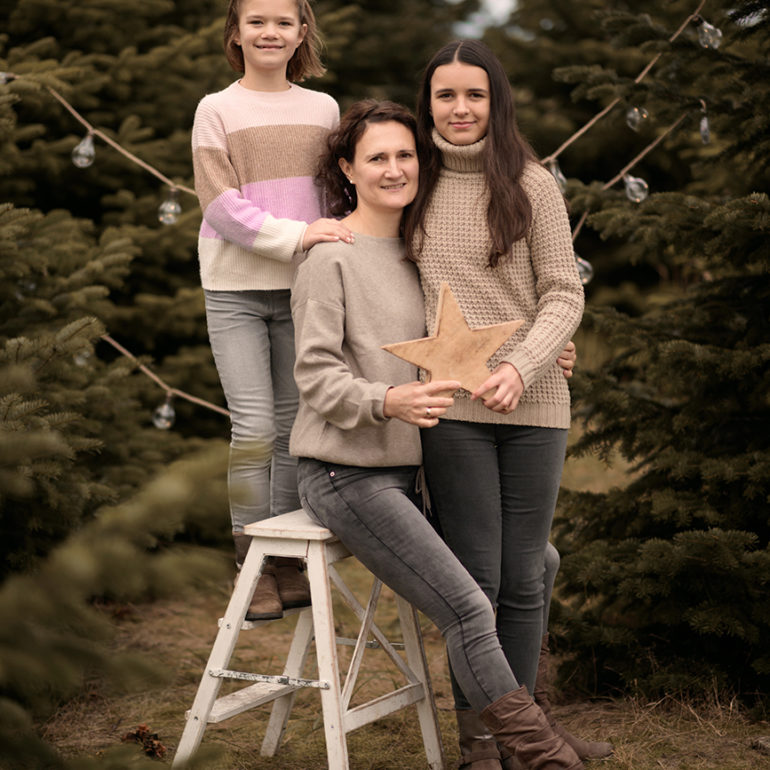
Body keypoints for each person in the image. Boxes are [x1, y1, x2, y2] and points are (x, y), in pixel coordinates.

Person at [290, 98, 584, 770]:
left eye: (405, 155)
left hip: (413, 472)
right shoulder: (331, 258)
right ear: (348, 169)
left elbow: (474, 329)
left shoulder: (419, 252)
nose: (395, 169)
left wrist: (547, 353)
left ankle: (504, 739)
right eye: (377, 158)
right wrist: (385, 399)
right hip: (347, 471)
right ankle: (535, 748)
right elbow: (314, 377)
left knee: (536, 563)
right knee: (468, 605)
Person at [404, 40, 612, 768]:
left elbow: (563, 291)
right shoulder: (411, 180)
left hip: (534, 402)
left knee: (524, 577)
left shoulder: (531, 183)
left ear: (497, 102)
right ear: (428, 103)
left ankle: (523, 738)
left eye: (475, 95)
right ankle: (480, 740)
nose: (460, 109)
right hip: (450, 405)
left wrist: (525, 364)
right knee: (477, 582)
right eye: (446, 95)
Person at [191, 0, 353, 620]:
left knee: (293, 430)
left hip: (302, 290)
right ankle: (250, 559)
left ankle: (284, 556)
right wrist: (299, 234)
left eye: (283, 22)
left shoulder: (324, 109)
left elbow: (334, 196)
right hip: (234, 288)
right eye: (256, 21)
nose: (270, 31)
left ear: (301, 33)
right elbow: (220, 205)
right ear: (235, 33)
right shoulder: (216, 109)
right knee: (254, 427)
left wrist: (333, 246)